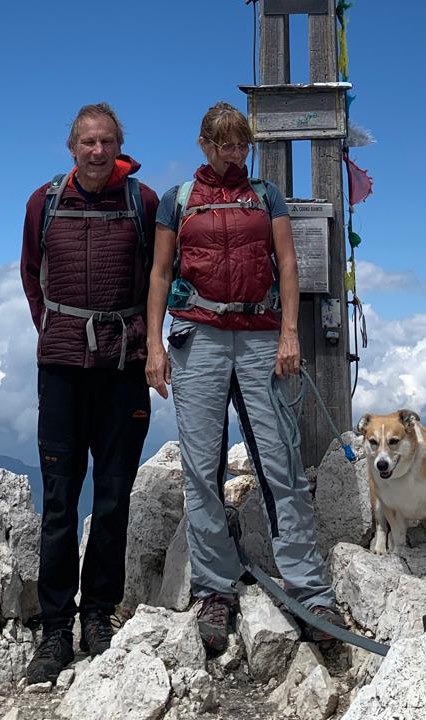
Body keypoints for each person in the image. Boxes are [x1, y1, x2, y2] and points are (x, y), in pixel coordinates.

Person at [145, 101, 345, 655]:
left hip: (260, 336)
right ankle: (215, 590)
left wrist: (290, 334)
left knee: (279, 459)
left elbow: (287, 264)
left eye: (241, 145)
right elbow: (161, 272)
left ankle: (309, 589)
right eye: (224, 144)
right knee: (200, 465)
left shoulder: (266, 196)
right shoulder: (177, 201)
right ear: (204, 144)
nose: (234, 154)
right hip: (197, 338)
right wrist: (152, 346)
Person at [20, 102, 158, 685]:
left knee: (113, 496)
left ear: (118, 146)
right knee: (58, 498)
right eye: (87, 143)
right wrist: (56, 330)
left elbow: (158, 274)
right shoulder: (44, 203)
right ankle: (56, 628)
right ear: (72, 147)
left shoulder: (142, 202)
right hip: (62, 369)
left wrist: (147, 343)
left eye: (105, 142)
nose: (96, 151)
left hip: (124, 365)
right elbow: (33, 274)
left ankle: (97, 615)